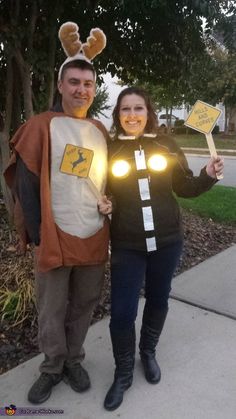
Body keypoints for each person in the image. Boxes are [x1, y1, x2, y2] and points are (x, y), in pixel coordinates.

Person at [98, 86, 224, 411]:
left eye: (138, 108)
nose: (132, 115)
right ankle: (123, 372)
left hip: (167, 241)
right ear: (118, 115)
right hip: (127, 244)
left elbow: (184, 187)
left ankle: (147, 352)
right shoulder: (109, 150)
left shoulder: (167, 144)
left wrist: (208, 175)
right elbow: (101, 191)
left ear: (148, 112)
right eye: (125, 109)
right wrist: (104, 203)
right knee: (122, 312)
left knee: (158, 299)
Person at [4, 22, 110, 404]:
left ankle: (74, 359)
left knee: (83, 304)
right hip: (54, 234)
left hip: (94, 232)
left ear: (93, 89)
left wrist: (109, 201)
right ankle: (52, 366)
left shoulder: (100, 130)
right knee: (51, 308)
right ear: (61, 85)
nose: (81, 90)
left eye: (88, 84)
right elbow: (25, 184)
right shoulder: (41, 125)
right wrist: (35, 233)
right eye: (75, 82)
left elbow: (106, 180)